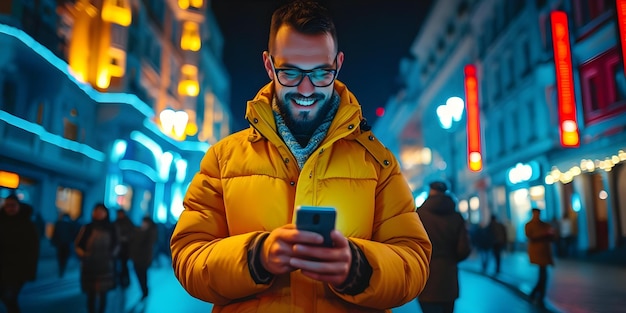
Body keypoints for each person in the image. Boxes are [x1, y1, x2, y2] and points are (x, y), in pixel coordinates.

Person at [170, 1, 432, 312]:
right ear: (269, 66)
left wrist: (357, 268)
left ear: (338, 64)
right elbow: (188, 257)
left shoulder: (377, 162)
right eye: (290, 72)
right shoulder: (223, 158)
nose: (306, 88)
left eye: (322, 72)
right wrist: (257, 256)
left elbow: (413, 263)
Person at [416, 181, 471, 313]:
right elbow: (464, 249)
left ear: (430, 191)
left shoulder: (419, 216)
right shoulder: (456, 217)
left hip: (426, 279)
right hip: (448, 278)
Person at [0, 194, 40, 313]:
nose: (10, 208)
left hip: (19, 269)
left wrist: (30, 271)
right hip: (2, 267)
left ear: (19, 206)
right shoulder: (2, 221)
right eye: (7, 206)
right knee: (6, 296)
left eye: (13, 206)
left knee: (10, 296)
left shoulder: (28, 225)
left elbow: (33, 249)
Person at [75, 203, 118, 313]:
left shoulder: (111, 228)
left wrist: (111, 255)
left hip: (105, 266)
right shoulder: (87, 227)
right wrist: (83, 254)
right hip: (90, 265)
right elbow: (78, 244)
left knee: (103, 293)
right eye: (96, 211)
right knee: (91, 294)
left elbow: (116, 245)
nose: (99, 213)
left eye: (101, 211)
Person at [524, 208, 555, 308]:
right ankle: (537, 295)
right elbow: (530, 236)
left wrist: (551, 234)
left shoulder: (544, 224)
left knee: (544, 275)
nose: (537, 215)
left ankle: (538, 295)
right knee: (543, 275)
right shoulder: (529, 225)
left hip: (545, 252)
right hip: (537, 252)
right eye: (536, 213)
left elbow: (552, 236)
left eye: (538, 213)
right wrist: (544, 234)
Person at [130, 216, 158, 300]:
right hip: (136, 257)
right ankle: (144, 290)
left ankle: (145, 291)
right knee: (139, 275)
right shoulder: (138, 230)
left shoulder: (151, 232)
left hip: (144, 258)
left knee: (143, 275)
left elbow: (149, 244)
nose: (143, 224)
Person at [51, 212, 81, 277]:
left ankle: (61, 269)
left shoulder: (61, 224)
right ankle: (62, 269)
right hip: (65, 243)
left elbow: (55, 233)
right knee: (63, 257)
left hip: (63, 243)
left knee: (61, 257)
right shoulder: (68, 224)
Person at [113, 209, 135, 288]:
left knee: (124, 265)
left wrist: (126, 238)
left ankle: (125, 281)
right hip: (117, 248)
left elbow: (132, 233)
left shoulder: (128, 222)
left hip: (125, 248)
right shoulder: (116, 222)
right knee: (117, 265)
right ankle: (118, 281)